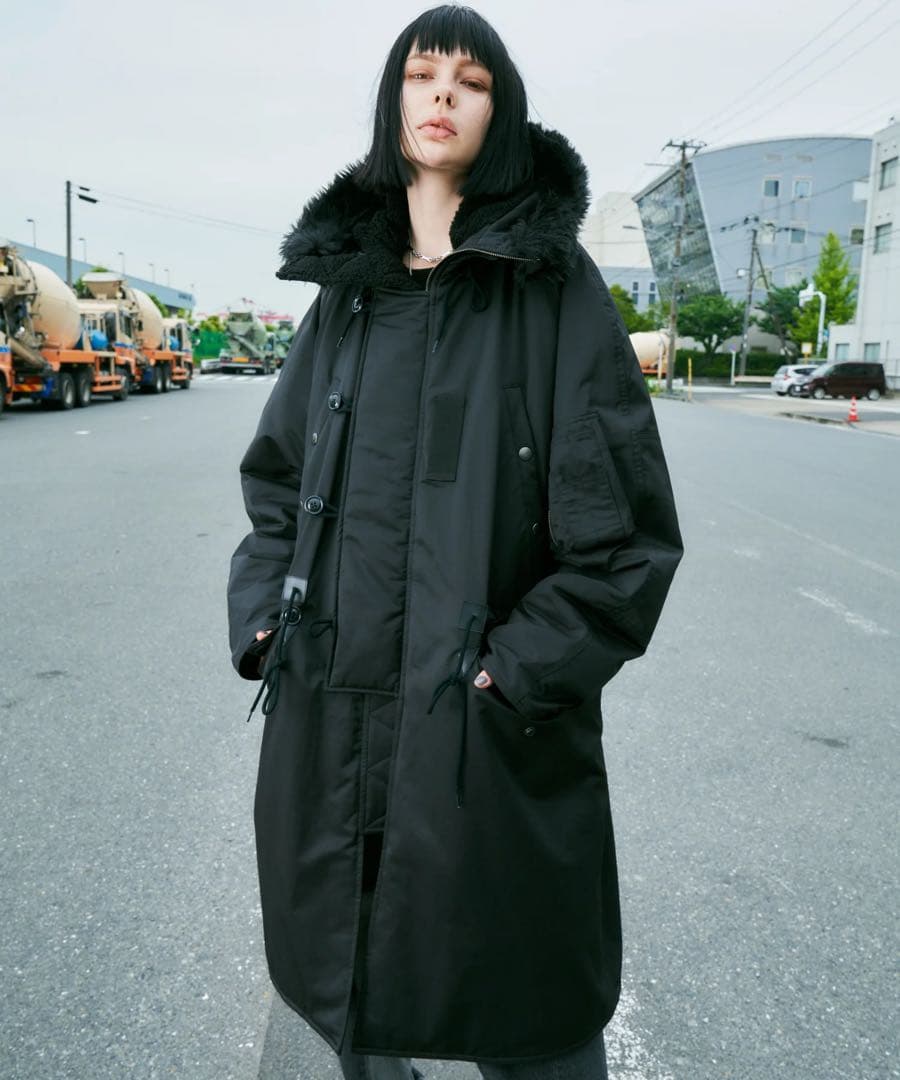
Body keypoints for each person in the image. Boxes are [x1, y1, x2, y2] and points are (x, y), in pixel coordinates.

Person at [228, 6, 682, 1078]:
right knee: (352, 991)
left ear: (498, 111)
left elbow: (624, 537)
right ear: (393, 100)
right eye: (421, 72)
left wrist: (510, 673)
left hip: (481, 732)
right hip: (333, 715)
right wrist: (265, 621)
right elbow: (279, 481)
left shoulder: (552, 286)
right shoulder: (348, 292)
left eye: (470, 81)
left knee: (527, 1012)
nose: (442, 93)